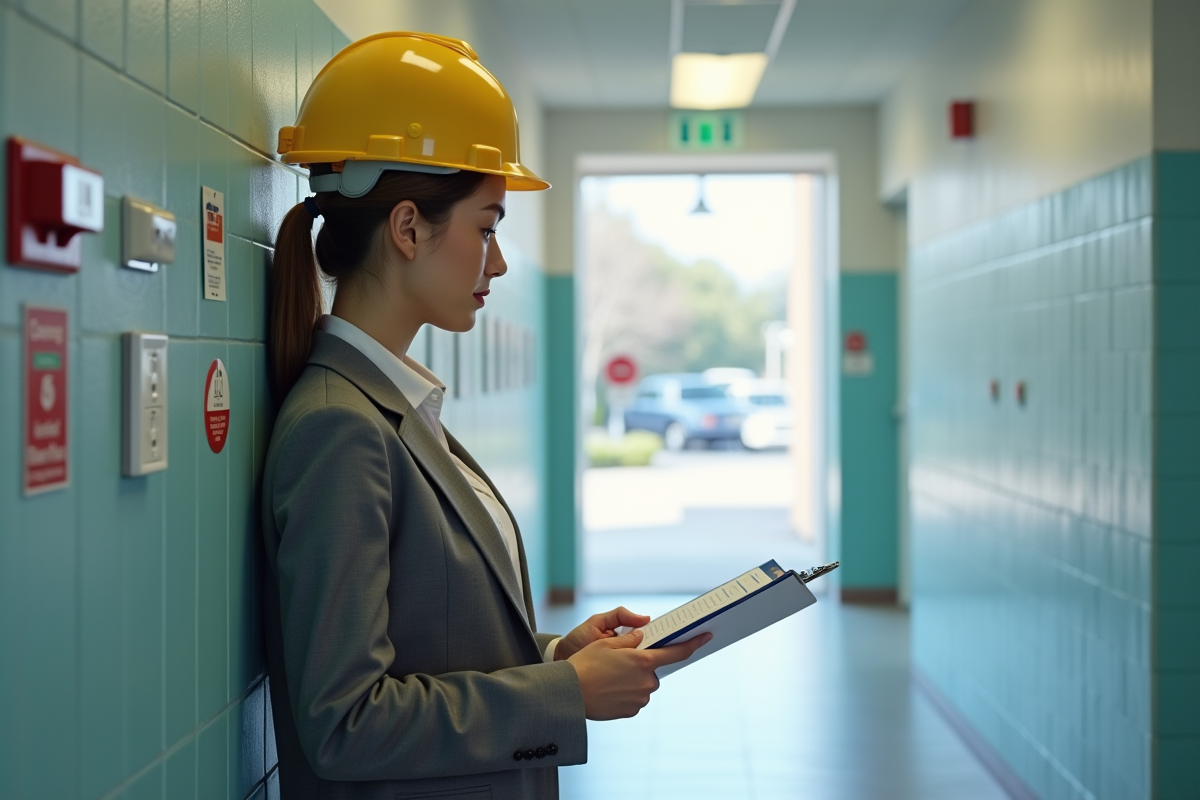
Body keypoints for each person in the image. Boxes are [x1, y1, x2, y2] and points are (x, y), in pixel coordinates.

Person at [262, 32, 710, 800]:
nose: (497, 263)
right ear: (408, 229)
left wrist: (554, 657)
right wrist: (567, 695)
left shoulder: (396, 407)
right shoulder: (341, 428)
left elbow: (429, 645)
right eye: (488, 227)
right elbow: (343, 724)